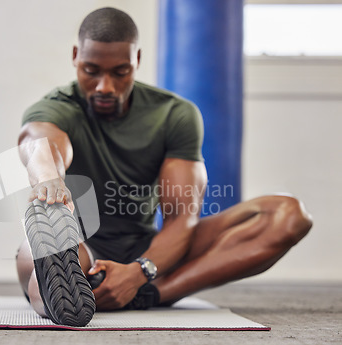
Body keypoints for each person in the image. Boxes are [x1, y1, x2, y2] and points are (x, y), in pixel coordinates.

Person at [16, 7, 312, 318]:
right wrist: (48, 177)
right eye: (91, 70)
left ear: (137, 61)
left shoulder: (173, 114)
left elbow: (182, 218)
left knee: (288, 214)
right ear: (76, 56)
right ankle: (57, 295)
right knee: (54, 250)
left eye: (120, 72)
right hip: (79, 241)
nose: (105, 86)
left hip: (146, 247)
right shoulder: (56, 107)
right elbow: (39, 142)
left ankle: (149, 293)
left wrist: (139, 272)